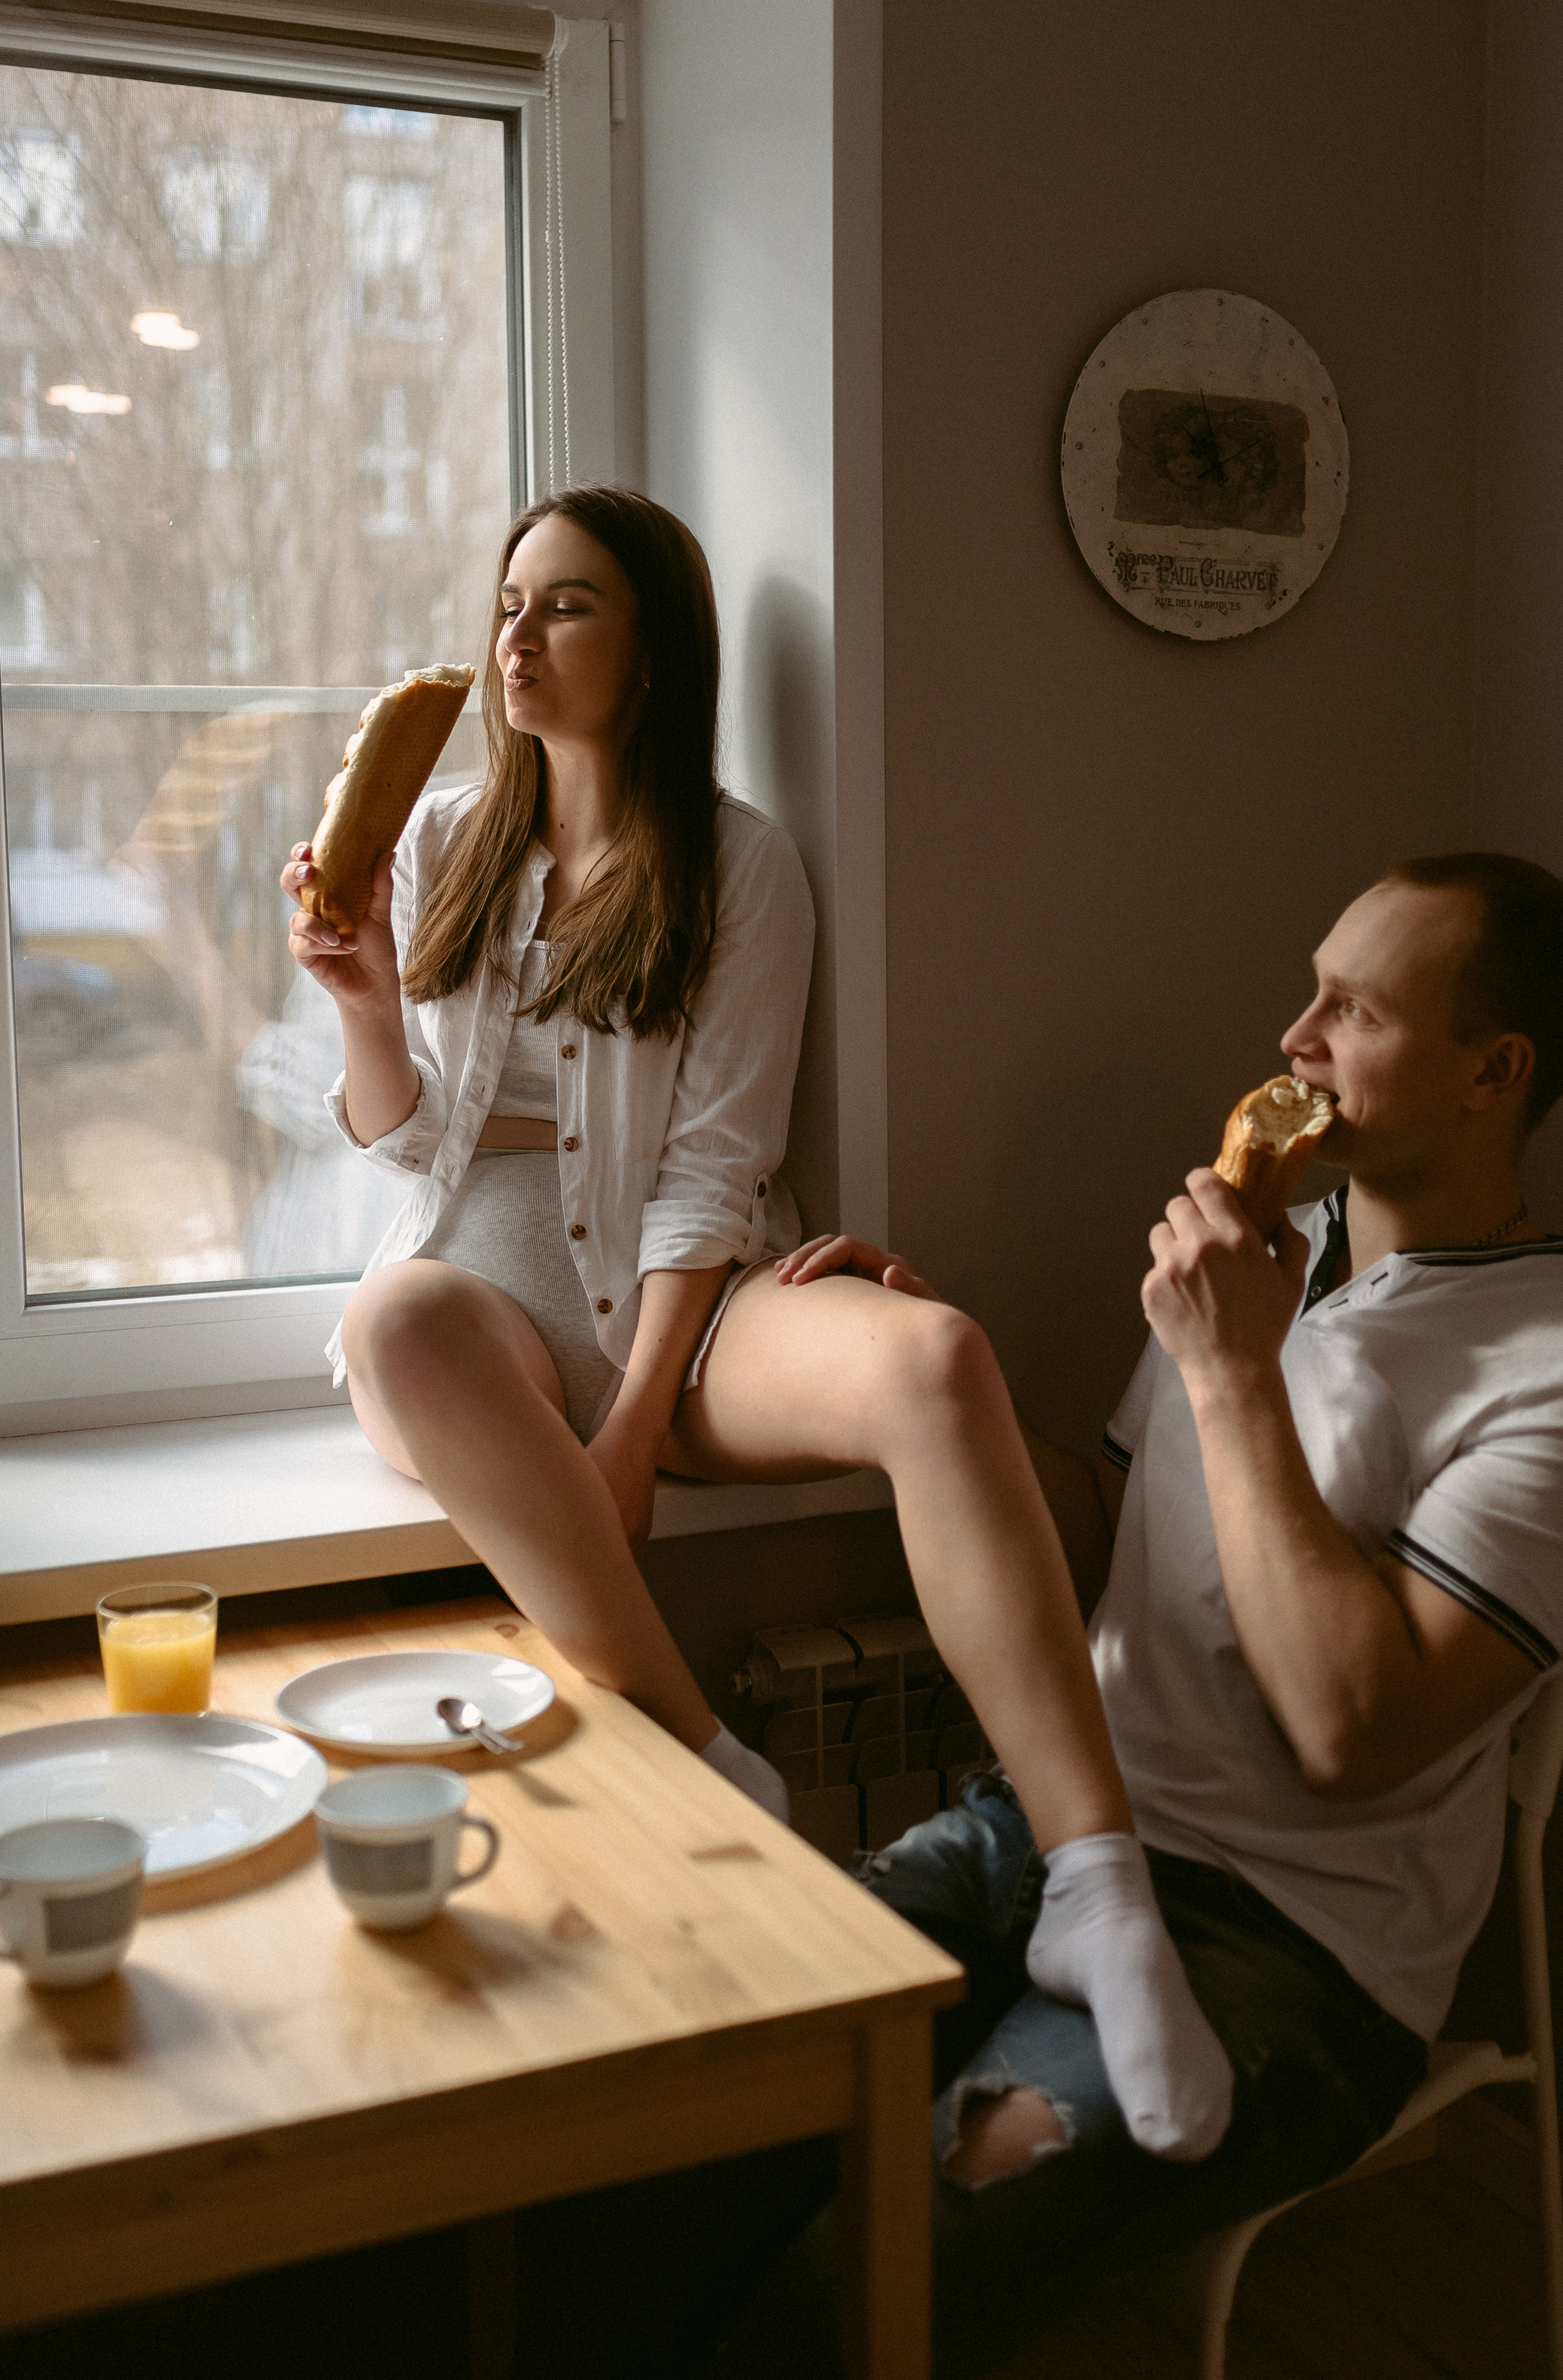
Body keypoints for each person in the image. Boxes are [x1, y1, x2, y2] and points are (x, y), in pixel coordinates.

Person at [622, 850, 1563, 2380]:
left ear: (1490, 1073)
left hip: (1286, 1955)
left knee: (871, 2277)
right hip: (1044, 1823)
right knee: (661, 2143)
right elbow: (1110, 1526)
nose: (1292, 1036)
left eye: (1352, 1011)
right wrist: (936, 1389)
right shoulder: (1263, 1256)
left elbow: (1353, 1730)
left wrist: (1232, 1373)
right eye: (1308, 989)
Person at [281, 484, 1232, 2162]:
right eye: (510, 601)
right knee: (398, 1323)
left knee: (934, 1354)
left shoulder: (740, 865)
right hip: (474, 1311)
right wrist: (365, 1004)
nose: (517, 635)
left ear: (653, 649)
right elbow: (401, 1145)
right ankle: (710, 1754)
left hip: (685, 1308)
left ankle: (1099, 1877)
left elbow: (714, 1175)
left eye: (566, 605)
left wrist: (641, 1416)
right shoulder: (438, 845)